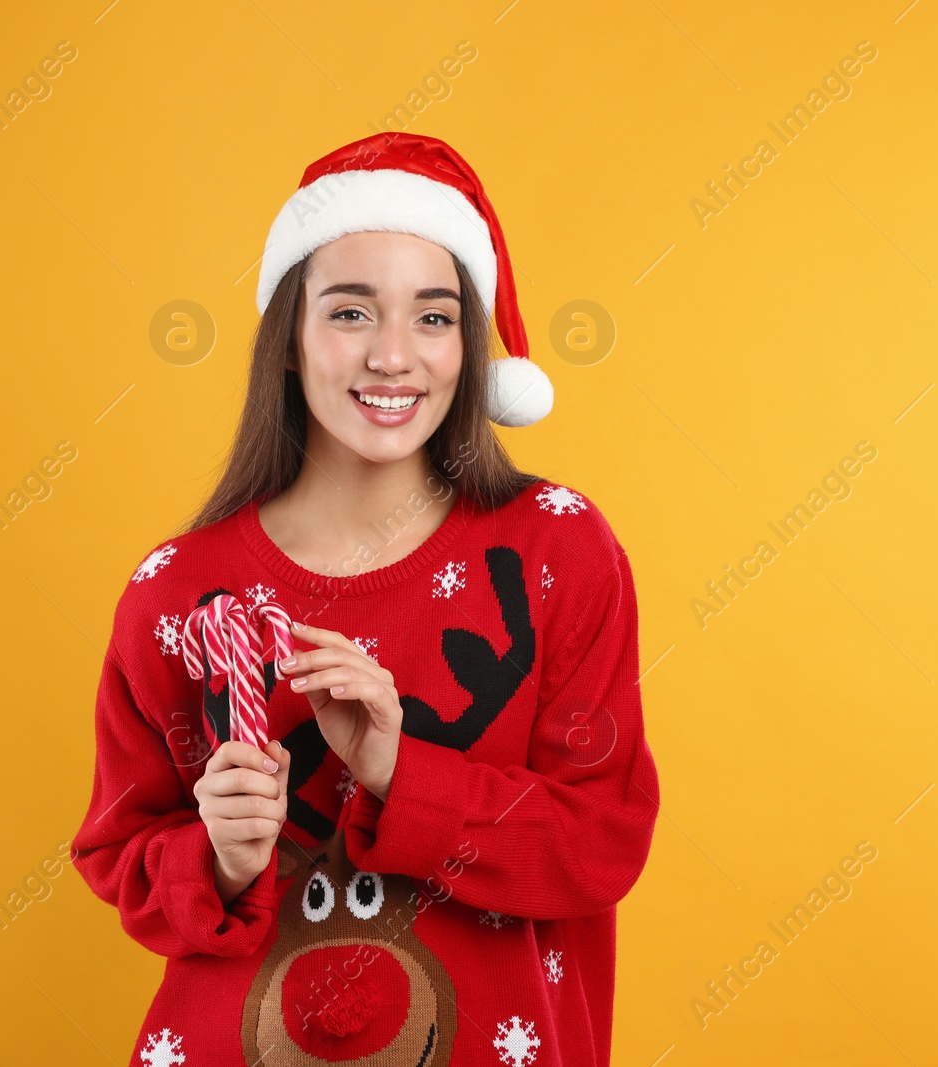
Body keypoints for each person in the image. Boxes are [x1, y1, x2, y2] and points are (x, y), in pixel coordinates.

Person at [70, 132, 660, 1067]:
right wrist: (218, 856)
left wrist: (398, 770)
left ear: (469, 348)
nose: (394, 356)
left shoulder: (555, 550)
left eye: (433, 318)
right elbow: (121, 854)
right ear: (291, 343)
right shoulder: (178, 595)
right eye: (350, 312)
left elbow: (601, 842)